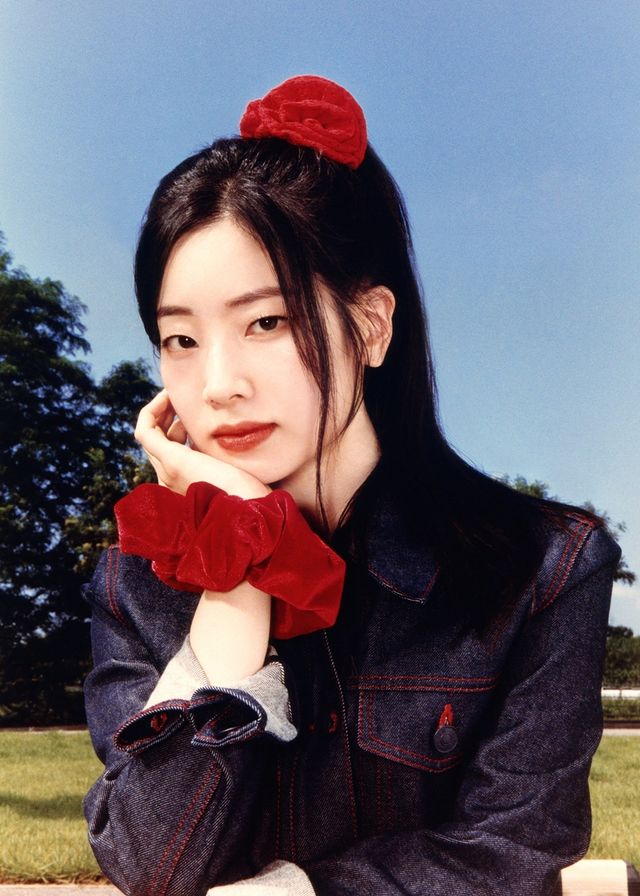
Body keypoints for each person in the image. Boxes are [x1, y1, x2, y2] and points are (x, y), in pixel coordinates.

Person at [83, 75, 620, 896]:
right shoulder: (137, 584)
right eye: (181, 340)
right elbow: (152, 866)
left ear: (370, 326)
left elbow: (513, 846)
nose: (218, 385)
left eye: (267, 322)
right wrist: (236, 581)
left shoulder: (543, 571)